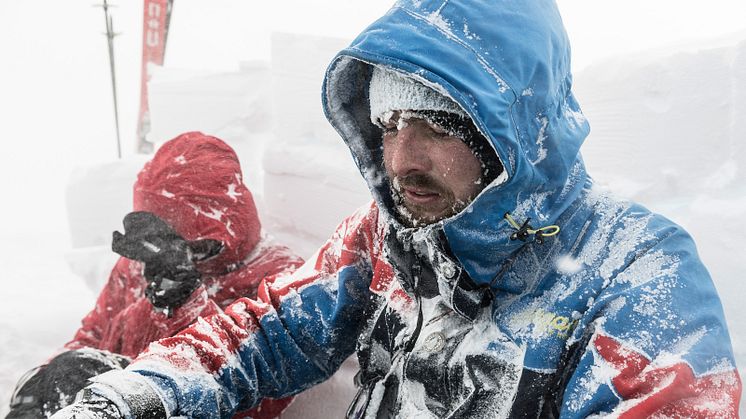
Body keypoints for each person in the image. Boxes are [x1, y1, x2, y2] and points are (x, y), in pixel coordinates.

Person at [53, 1, 742, 418]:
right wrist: (132, 393)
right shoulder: (388, 236)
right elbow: (262, 332)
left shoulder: (637, 277)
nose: (400, 156)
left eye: (436, 124)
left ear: (515, 129)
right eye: (386, 121)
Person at [8, 132, 303, 418]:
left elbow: (262, 397)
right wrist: (47, 379)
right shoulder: (145, 260)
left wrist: (186, 303)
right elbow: (94, 334)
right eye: (152, 226)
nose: (157, 244)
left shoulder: (279, 281)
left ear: (204, 224)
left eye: (168, 229)